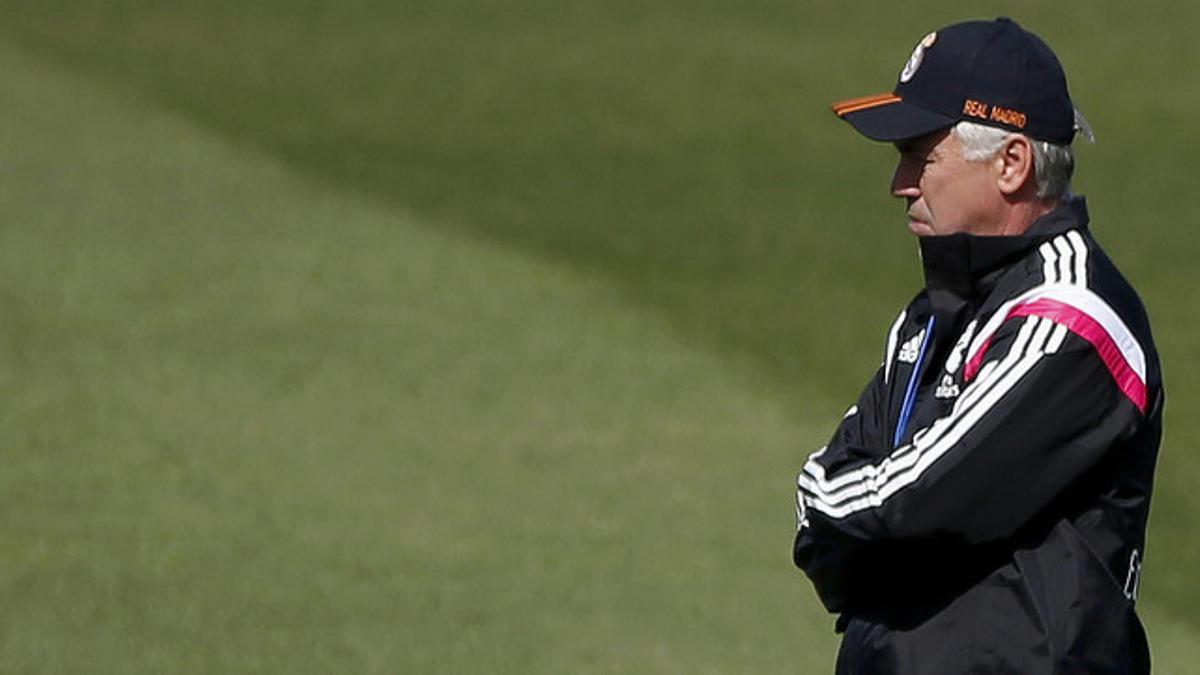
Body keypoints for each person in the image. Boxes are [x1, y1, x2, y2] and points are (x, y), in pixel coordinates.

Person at [792, 18, 1163, 674]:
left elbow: (905, 498)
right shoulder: (931, 316)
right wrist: (851, 511)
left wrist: (848, 508)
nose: (900, 183)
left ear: (1012, 163)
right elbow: (831, 514)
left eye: (919, 155)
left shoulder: (1070, 316)